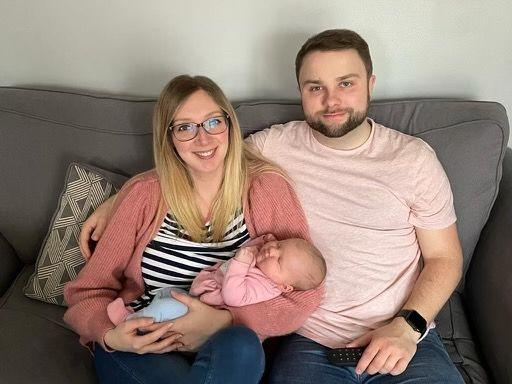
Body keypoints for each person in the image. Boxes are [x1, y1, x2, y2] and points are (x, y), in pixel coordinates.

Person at [81, 30, 465, 383]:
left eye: (346, 83)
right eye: (315, 87)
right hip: (310, 342)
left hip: (400, 334)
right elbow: (201, 156)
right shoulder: (276, 146)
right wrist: (120, 198)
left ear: (371, 84)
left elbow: (445, 259)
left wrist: (407, 326)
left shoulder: (413, 160)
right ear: (300, 91)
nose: (331, 100)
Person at [64, 75, 324, 384]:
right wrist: (111, 337)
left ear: (229, 125)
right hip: (144, 343)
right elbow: (87, 291)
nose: (203, 139)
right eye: (185, 127)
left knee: (243, 345)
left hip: (225, 346)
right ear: (168, 137)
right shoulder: (144, 195)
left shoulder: (267, 189)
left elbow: (306, 294)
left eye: (213, 122)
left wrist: (227, 320)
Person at [107, 234, 326, 327]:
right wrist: (265, 241)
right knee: (165, 292)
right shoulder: (261, 261)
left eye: (279, 260)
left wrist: (240, 264)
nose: (272, 251)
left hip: (202, 309)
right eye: (279, 245)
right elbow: (255, 247)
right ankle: (141, 313)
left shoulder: (266, 287)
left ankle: (129, 323)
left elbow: (234, 296)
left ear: (284, 286)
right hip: (194, 294)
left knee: (165, 306)